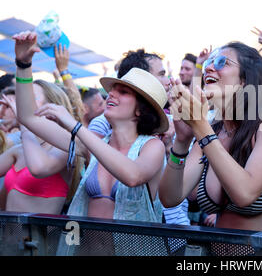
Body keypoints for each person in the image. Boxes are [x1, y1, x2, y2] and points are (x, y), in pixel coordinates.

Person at [13, 31, 168, 227]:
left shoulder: (152, 146)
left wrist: (75, 126)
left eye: (123, 91)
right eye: (112, 89)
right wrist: (23, 65)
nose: (111, 94)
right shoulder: (92, 143)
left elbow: (133, 176)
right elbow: (28, 118)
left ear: (140, 109)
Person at [159, 41, 262, 238]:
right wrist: (181, 141)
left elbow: (245, 194)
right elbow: (170, 198)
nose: (209, 68)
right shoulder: (211, 131)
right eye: (208, 64)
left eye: (223, 62)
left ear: (245, 80)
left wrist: (200, 126)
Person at [0, 79, 83, 215]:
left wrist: (23, 123)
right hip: (9, 236)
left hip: (40, 236)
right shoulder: (19, 150)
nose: (22, 102)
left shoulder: (65, 149)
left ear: (51, 107)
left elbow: (38, 168)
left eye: (31, 98)